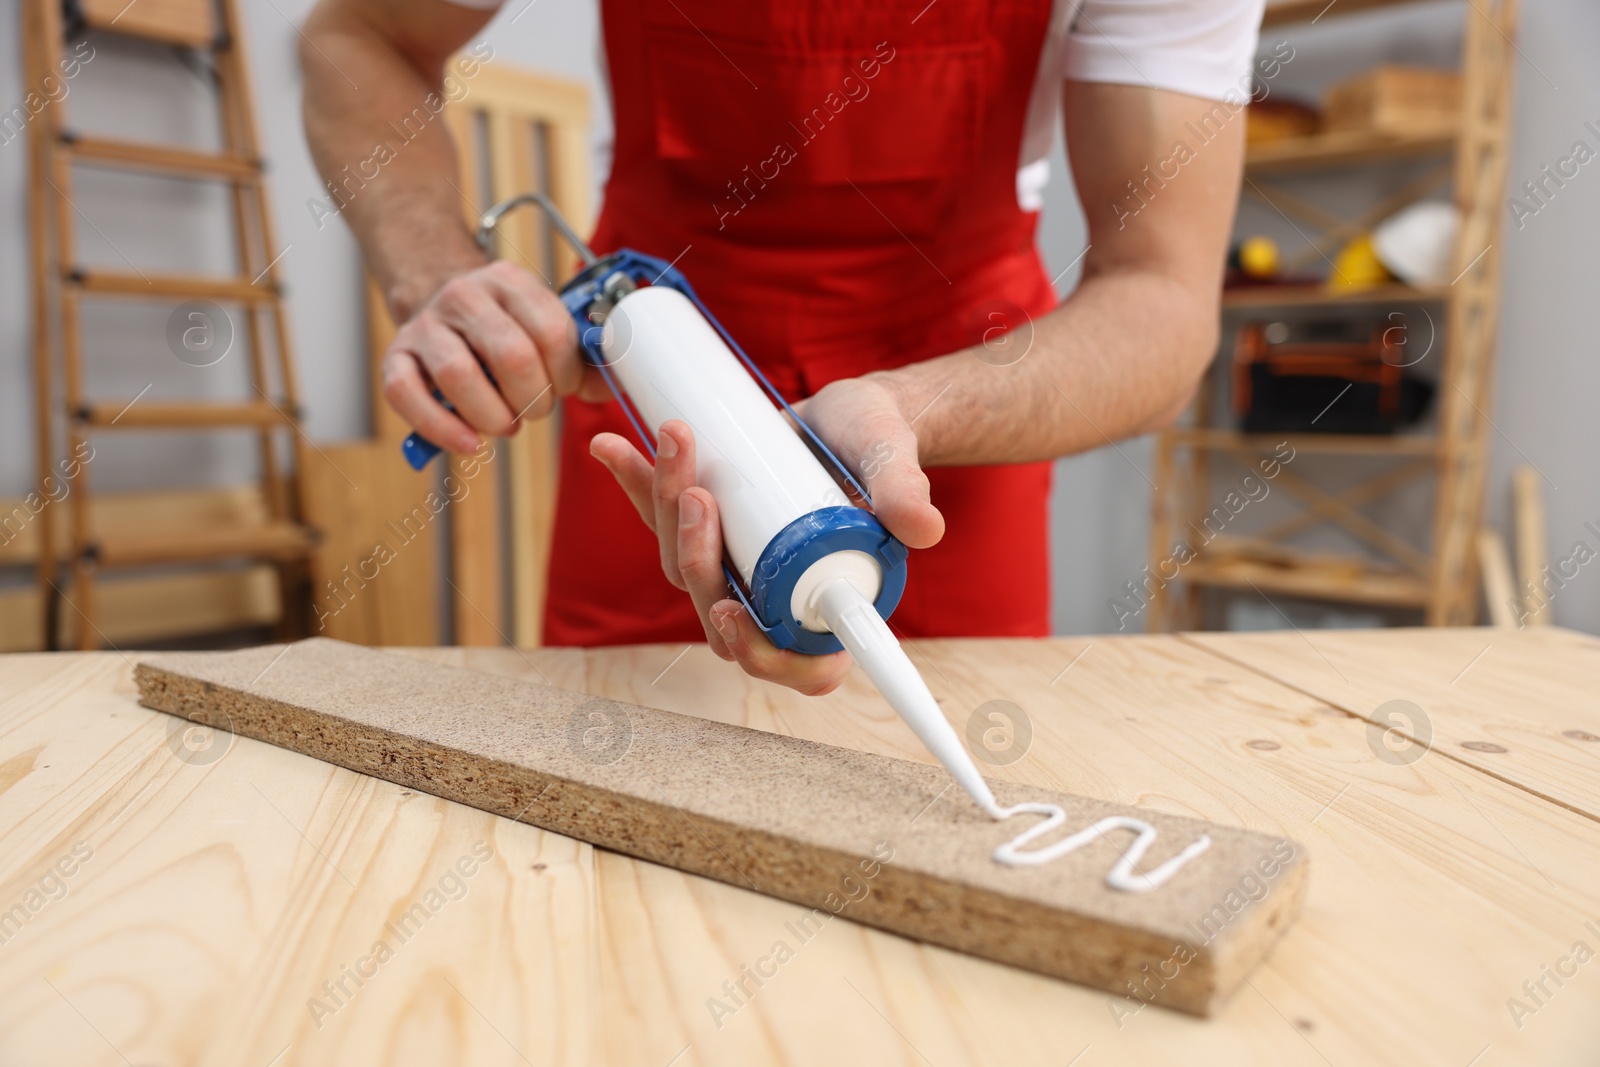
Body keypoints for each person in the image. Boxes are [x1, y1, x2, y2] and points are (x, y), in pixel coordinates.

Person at [300, 0, 1263, 693]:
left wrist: (914, 412)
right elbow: (360, 35)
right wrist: (434, 273)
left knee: (951, 765)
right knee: (623, 774)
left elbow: (1163, 299)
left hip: (953, 400)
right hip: (659, 391)